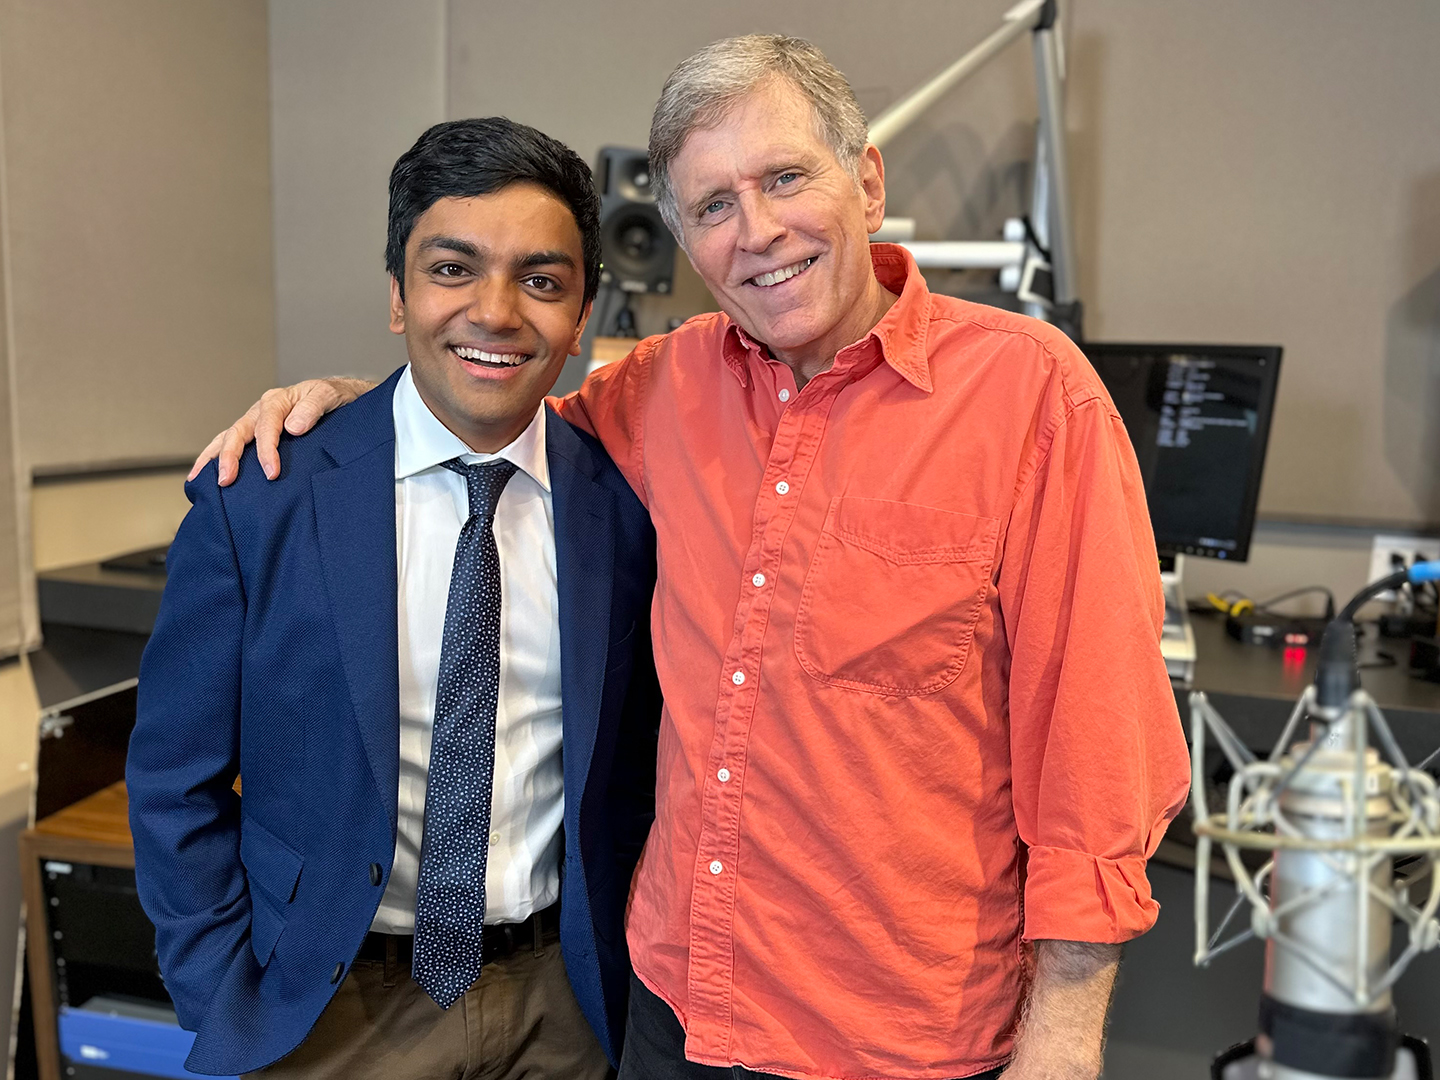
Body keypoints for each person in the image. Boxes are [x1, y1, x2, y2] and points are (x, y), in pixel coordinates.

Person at [198, 36, 1192, 1080]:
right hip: (673, 1014)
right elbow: (491, 410)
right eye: (712, 206)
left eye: (785, 178)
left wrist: (1064, 1046)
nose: (757, 230)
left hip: (902, 1043)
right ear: (684, 238)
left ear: (867, 180)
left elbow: (1099, 760)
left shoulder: (1031, 397)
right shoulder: (664, 386)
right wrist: (354, 409)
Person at [128, 117, 661, 1079]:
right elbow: (174, 780)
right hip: (332, 1010)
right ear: (397, 294)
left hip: (566, 1002)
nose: (495, 313)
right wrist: (216, 989)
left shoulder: (626, 508)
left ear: (581, 315)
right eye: (453, 269)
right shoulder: (262, 496)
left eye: (541, 281)